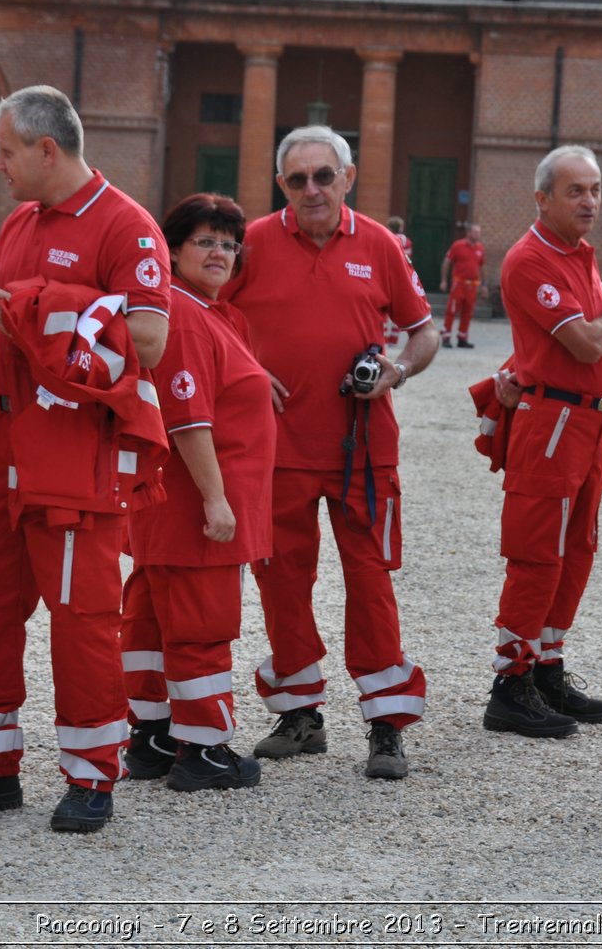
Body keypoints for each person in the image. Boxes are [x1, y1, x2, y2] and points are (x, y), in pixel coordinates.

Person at [0, 85, 171, 834]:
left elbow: (151, 342)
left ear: (46, 149)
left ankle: (92, 776)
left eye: (4, 151)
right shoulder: (24, 221)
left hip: (73, 443)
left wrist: (33, 303)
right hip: (0, 435)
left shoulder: (127, 227)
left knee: (83, 615)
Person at [224, 124, 439, 780]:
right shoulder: (252, 243)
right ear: (281, 184)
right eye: (297, 178)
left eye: (324, 175)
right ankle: (300, 715)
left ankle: (385, 724)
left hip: (362, 451)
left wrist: (396, 370)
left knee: (370, 582)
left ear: (348, 178)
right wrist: (249, 371)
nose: (311, 189)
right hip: (278, 451)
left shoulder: (377, 243)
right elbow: (204, 316)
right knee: (282, 582)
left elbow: (424, 331)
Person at [481, 146, 602, 738]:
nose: (591, 202)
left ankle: (547, 666)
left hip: (585, 424)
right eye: (576, 191)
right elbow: (583, 342)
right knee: (536, 554)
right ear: (542, 197)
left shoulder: (577, 254)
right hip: (553, 425)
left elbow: (553, 343)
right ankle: (511, 681)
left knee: (576, 553)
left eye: (596, 189)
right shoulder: (532, 258)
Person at [121, 193, 273, 792]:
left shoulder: (202, 311)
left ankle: (154, 735)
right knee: (200, 625)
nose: (219, 252)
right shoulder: (183, 314)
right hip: (193, 505)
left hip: (168, 507)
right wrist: (216, 499)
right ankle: (203, 750)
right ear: (174, 249)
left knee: (154, 623)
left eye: (228, 244)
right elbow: (188, 417)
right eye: (204, 241)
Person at [441, 224, 487, 349]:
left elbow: (481, 267)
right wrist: (444, 280)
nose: (478, 235)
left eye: (479, 233)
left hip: (472, 285)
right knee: (452, 310)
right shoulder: (458, 246)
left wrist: (484, 285)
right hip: (459, 284)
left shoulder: (480, 248)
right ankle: (446, 336)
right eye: (475, 232)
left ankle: (462, 338)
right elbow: (447, 262)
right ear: (469, 233)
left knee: (468, 312)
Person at [383, 215, 417, 346]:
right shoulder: (407, 241)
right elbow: (408, 257)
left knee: (384, 307)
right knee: (397, 306)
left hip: (387, 273)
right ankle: (394, 339)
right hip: (401, 275)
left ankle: (384, 337)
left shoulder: (386, 236)